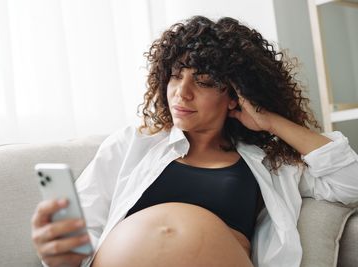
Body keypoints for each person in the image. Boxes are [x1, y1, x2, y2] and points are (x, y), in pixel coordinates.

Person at [31, 16, 358, 267]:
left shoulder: (269, 161)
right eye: (176, 75)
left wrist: (269, 120)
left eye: (202, 82)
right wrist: (61, 253)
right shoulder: (131, 143)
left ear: (235, 96)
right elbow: (81, 234)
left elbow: (350, 183)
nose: (181, 92)